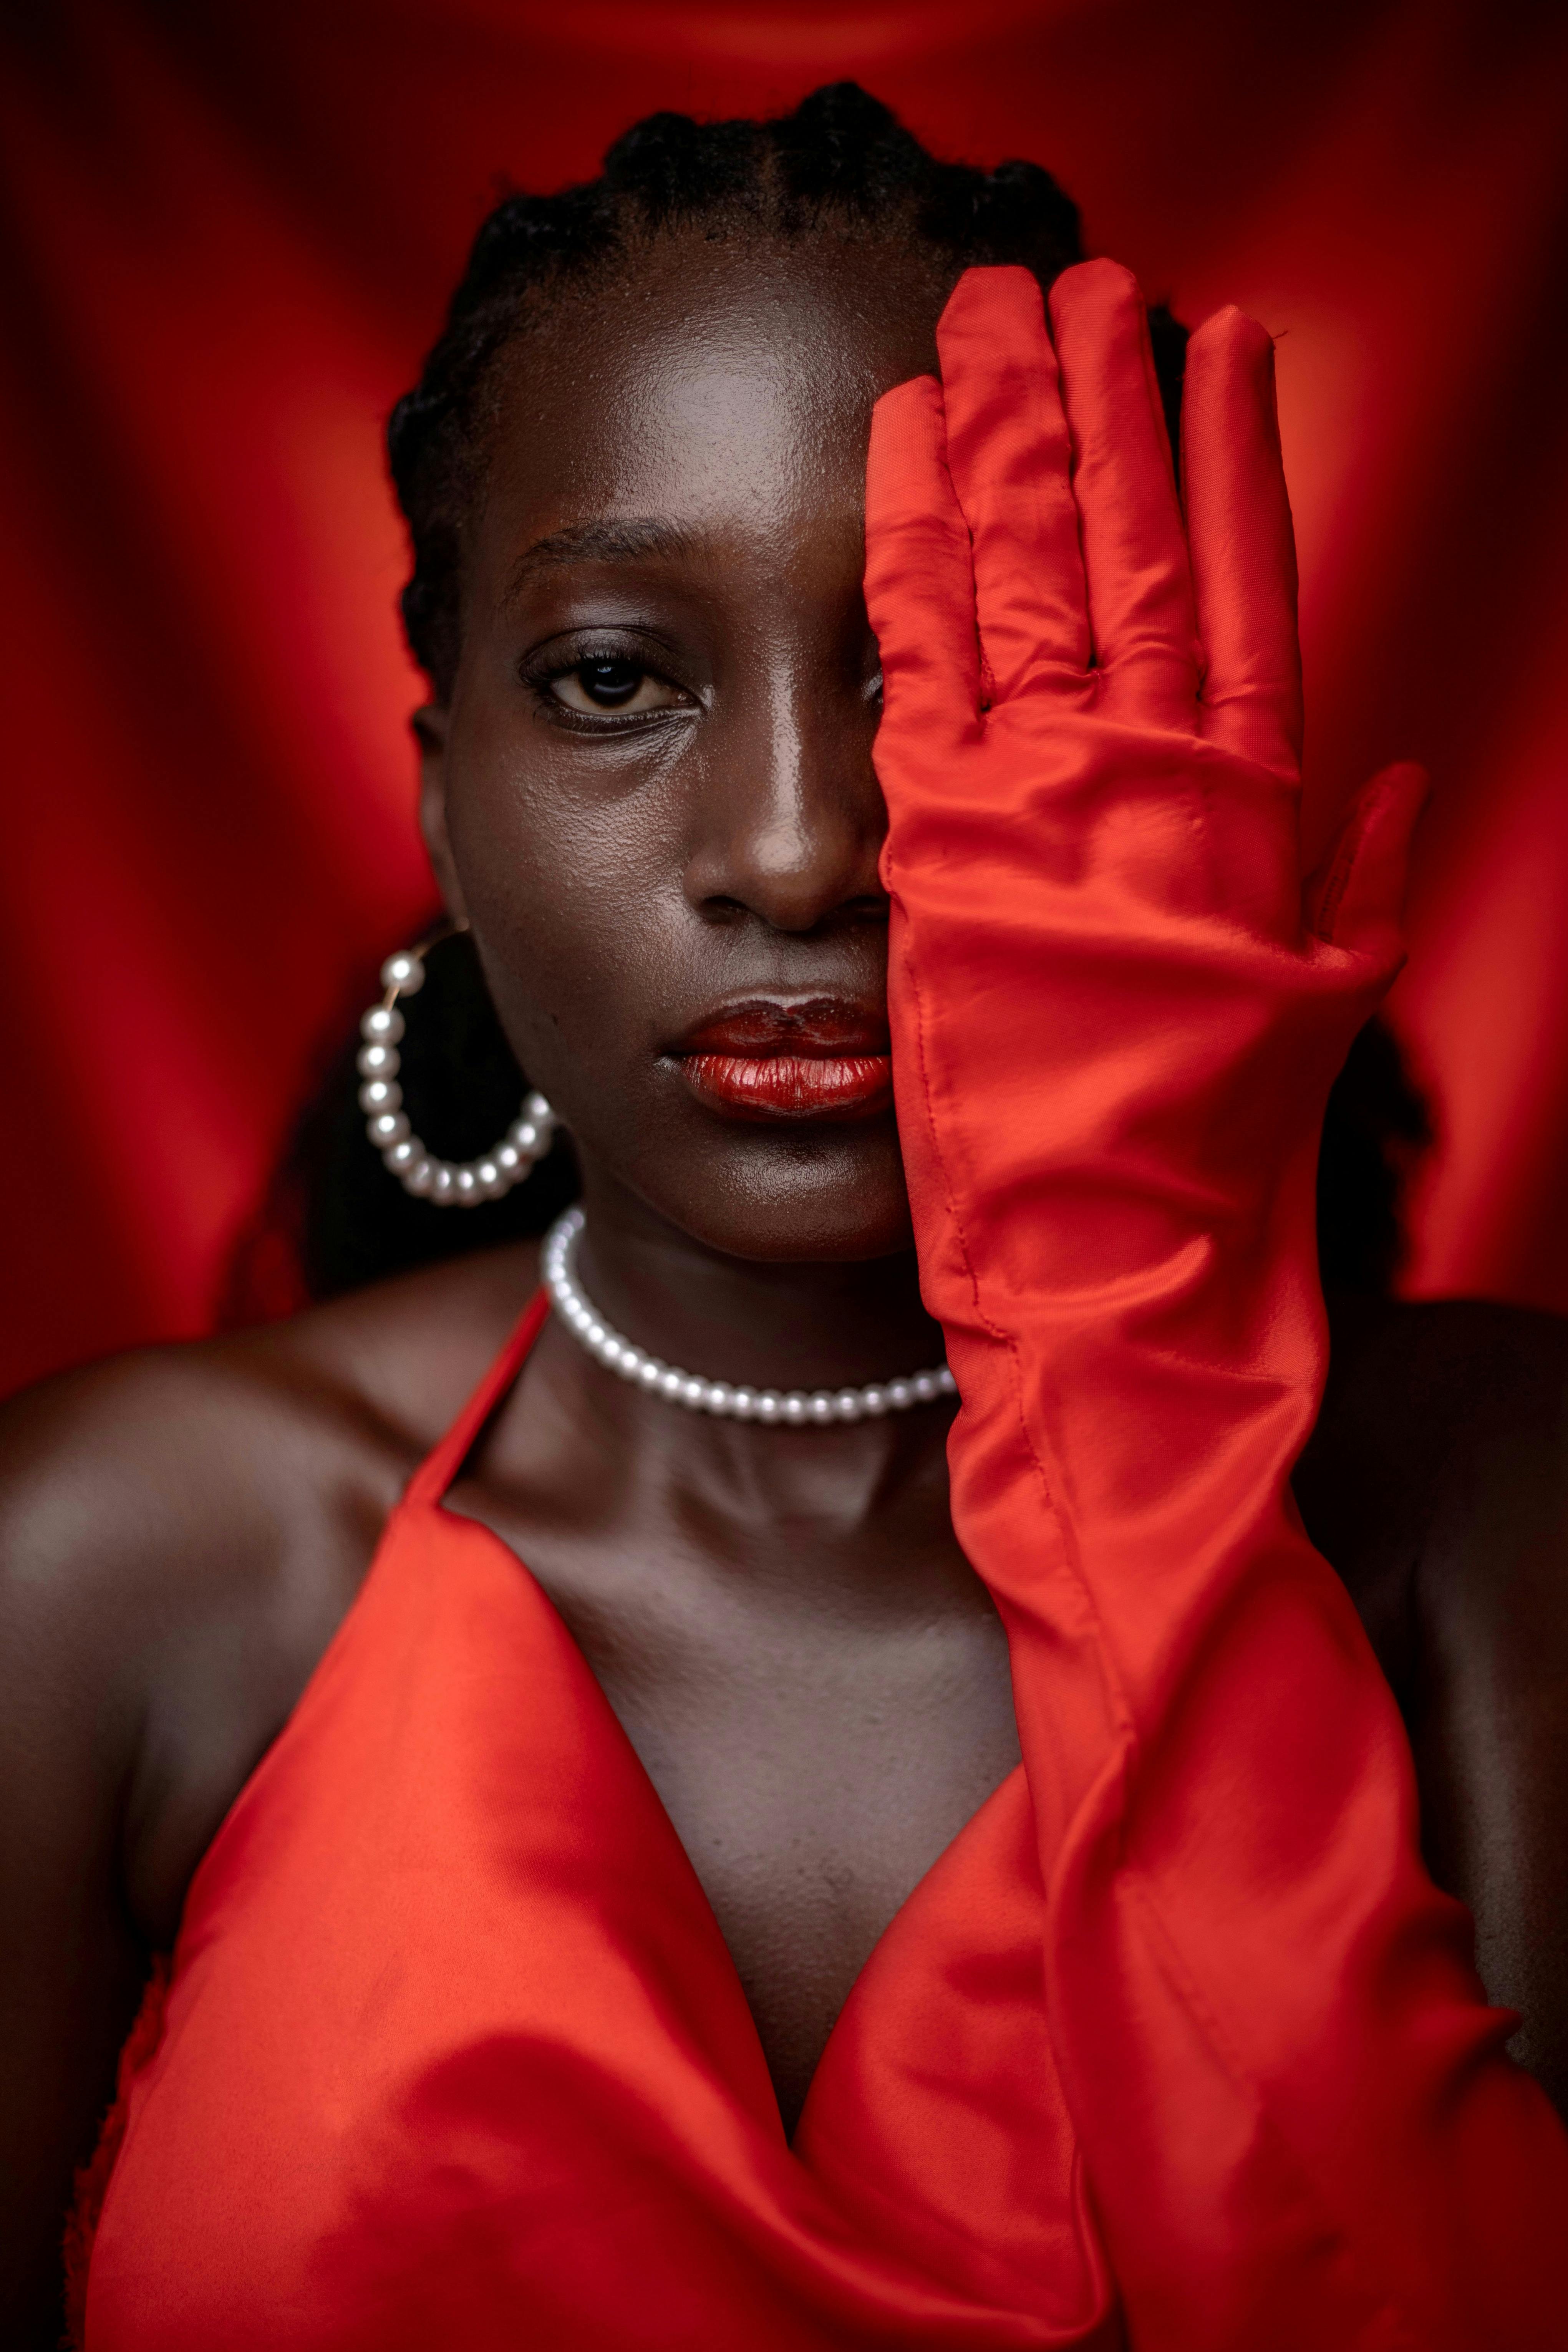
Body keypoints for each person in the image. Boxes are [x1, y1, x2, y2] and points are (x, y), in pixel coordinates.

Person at [1, 81, 1565, 2351]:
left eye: (938, 680)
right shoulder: (106, 1565)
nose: (804, 849)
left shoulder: (1483, 1507)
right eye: (618, 680)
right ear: (446, 803)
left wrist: (1132, 1386)